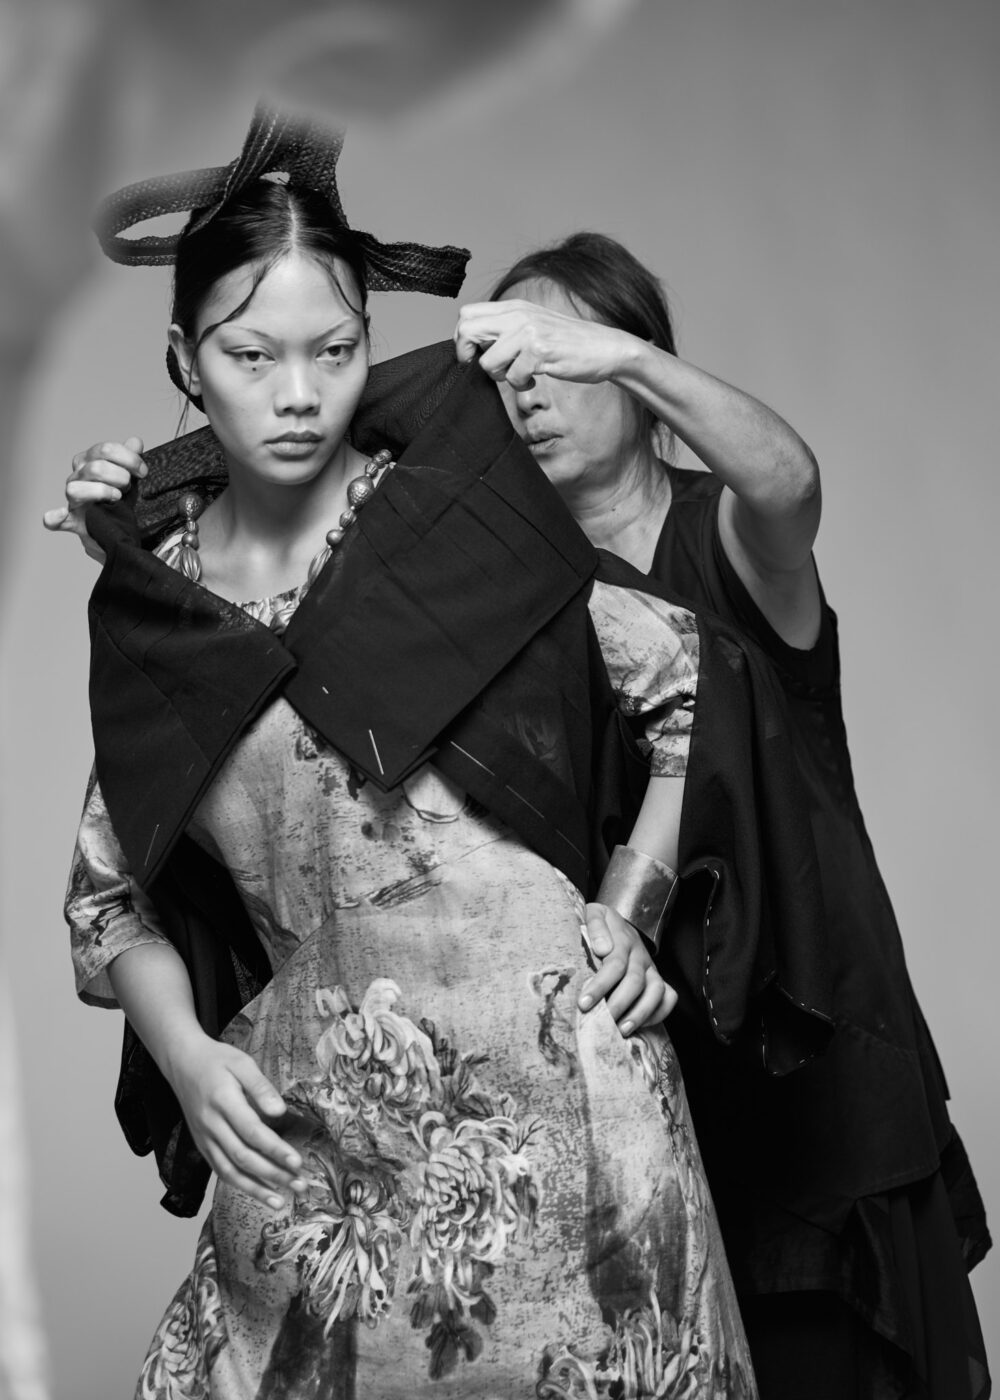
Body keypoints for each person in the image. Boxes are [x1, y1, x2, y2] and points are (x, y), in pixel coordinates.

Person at [49, 112, 759, 1398]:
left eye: (336, 349)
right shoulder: (162, 603)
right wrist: (189, 1058)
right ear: (184, 361)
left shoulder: (448, 509)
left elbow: (686, 675)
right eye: (250, 355)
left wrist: (631, 908)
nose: (299, 392)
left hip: (578, 1120)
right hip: (324, 1158)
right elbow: (109, 898)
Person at [447, 233, 991, 1399]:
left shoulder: (727, 536)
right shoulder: (510, 604)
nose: (528, 389)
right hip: (649, 1077)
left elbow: (788, 483)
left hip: (817, 1059)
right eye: (506, 371)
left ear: (634, 367)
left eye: (555, 358)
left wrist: (611, 351)